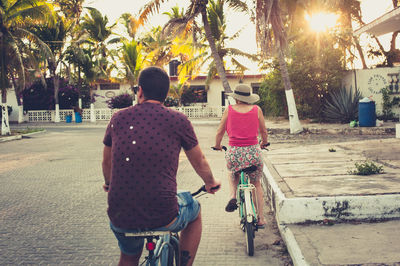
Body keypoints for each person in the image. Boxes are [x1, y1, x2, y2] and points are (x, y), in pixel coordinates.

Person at [102, 66, 221, 266]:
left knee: (129, 256)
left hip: (121, 214)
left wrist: (109, 183)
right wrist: (210, 182)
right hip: (164, 212)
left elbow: (107, 162)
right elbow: (199, 160)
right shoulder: (178, 120)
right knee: (195, 209)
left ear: (140, 90)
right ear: (166, 94)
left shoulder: (118, 118)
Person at [213, 84, 268, 227]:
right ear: (249, 98)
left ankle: (232, 196)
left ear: (236, 99)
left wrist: (217, 145)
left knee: (233, 174)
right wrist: (264, 143)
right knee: (256, 183)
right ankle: (261, 218)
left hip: (234, 152)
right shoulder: (257, 110)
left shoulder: (229, 110)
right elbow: (264, 131)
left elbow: (220, 131)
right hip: (253, 152)